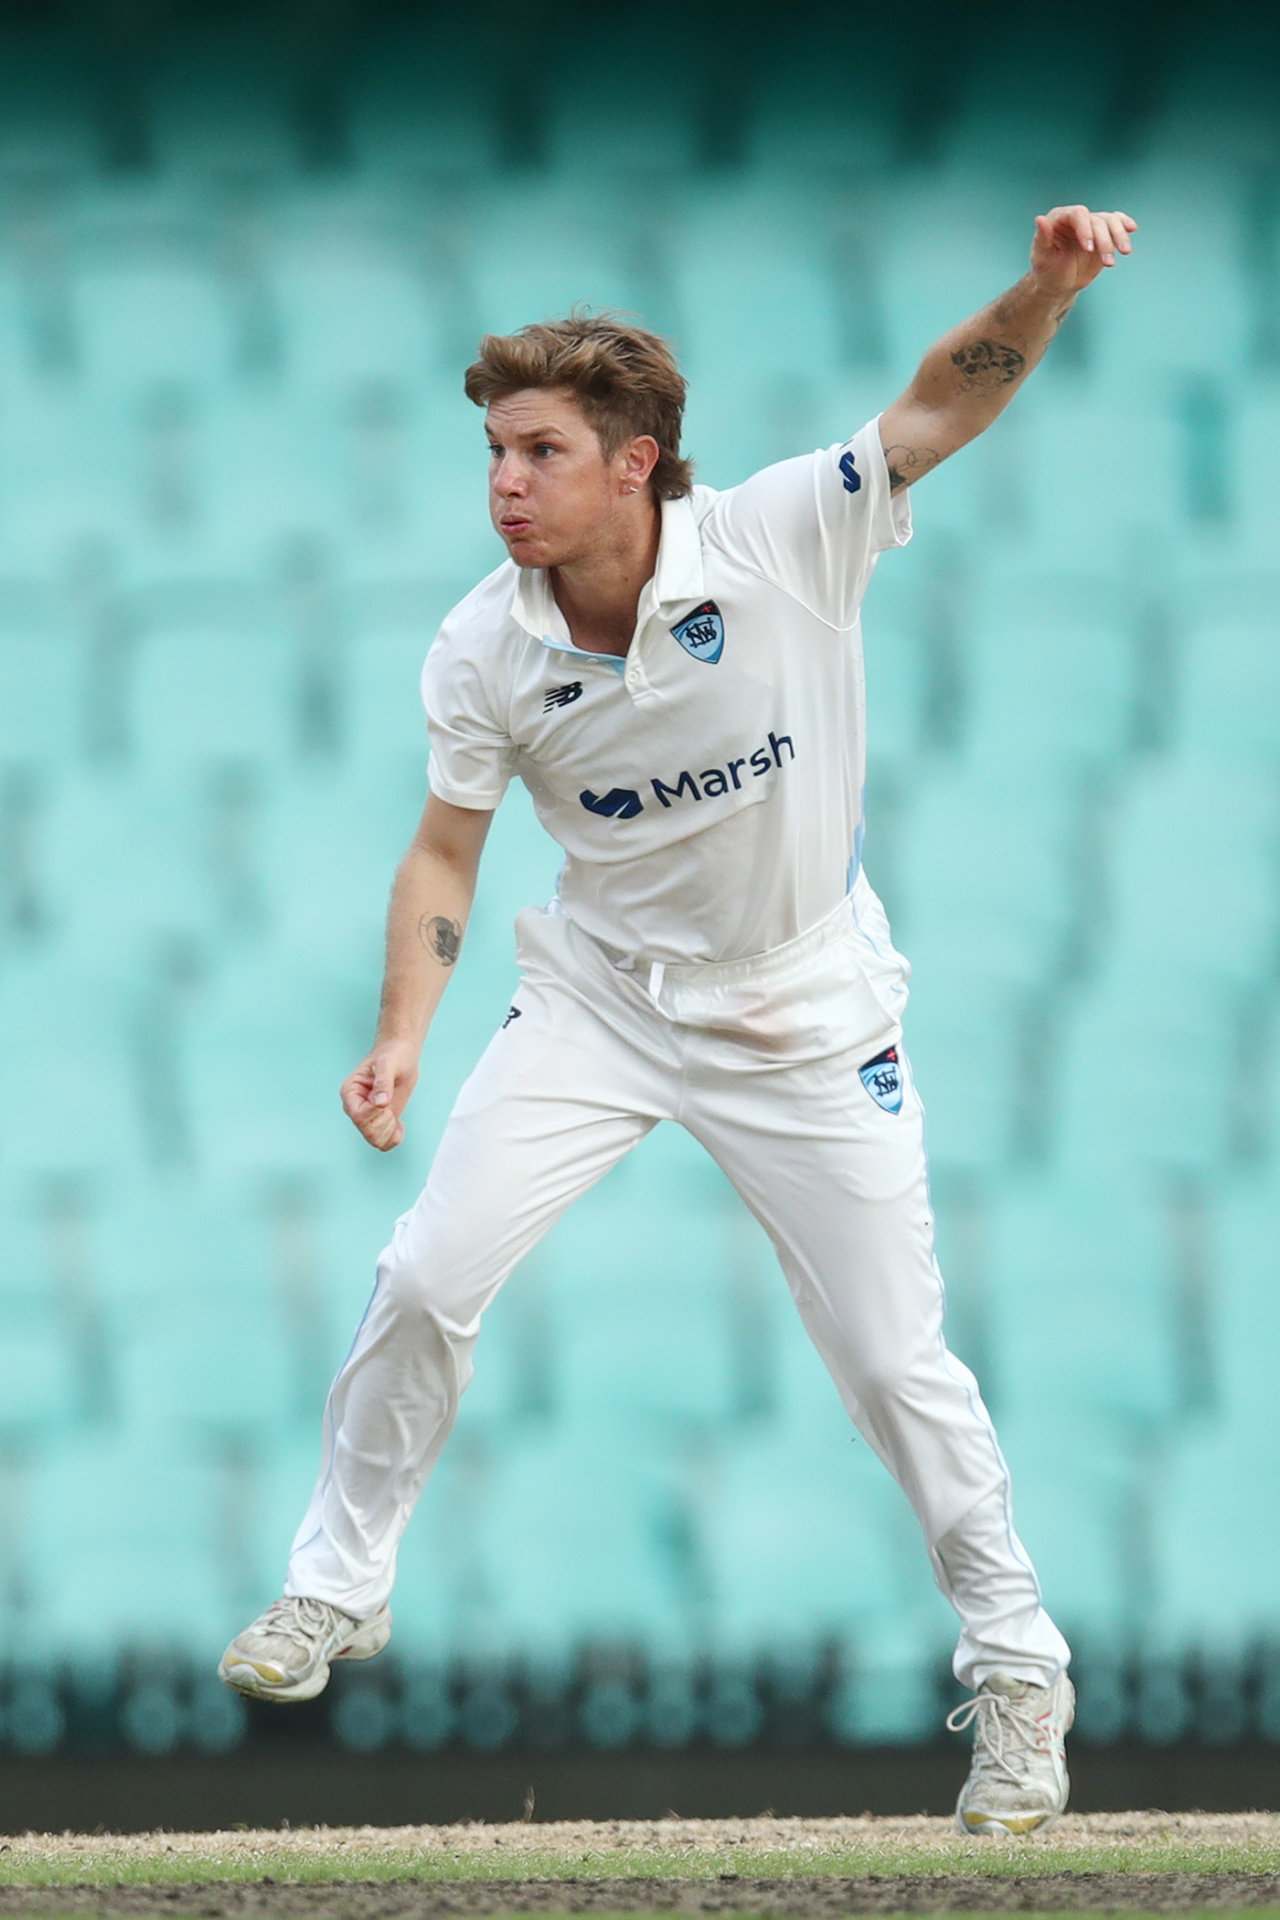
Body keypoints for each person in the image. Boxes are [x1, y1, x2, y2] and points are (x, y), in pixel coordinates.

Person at [220, 205, 1136, 1836]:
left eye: (540, 450)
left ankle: (1018, 1672)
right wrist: (407, 1034)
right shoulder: (480, 646)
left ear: (637, 463)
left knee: (887, 1360)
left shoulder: (786, 535)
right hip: (600, 1002)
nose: (503, 480)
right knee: (427, 1268)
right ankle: (336, 1588)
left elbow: (939, 402)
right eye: (494, 449)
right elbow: (447, 847)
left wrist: (1045, 289)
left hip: (804, 1007)